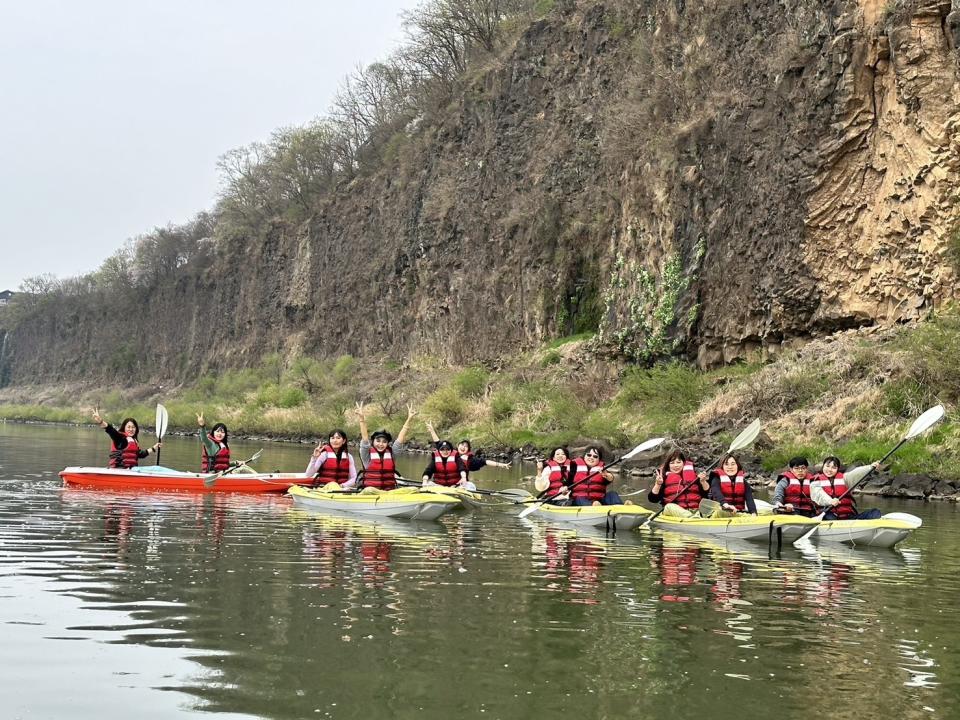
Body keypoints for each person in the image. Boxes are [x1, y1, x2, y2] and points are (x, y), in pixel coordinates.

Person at [355, 401, 416, 490]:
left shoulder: (392, 453)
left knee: (412, 489)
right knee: (370, 490)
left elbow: (399, 440)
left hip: (389, 490)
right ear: (373, 442)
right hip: (370, 491)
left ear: (387, 444)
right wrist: (361, 419)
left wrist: (409, 419)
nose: (381, 444)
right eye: (378, 441)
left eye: (384, 442)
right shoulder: (366, 455)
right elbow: (364, 439)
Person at [809, 456, 882, 520]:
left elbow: (856, 473)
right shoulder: (816, 481)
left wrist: (870, 467)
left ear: (837, 469)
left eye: (833, 468)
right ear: (823, 466)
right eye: (827, 466)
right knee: (830, 518)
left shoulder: (844, 478)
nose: (830, 470)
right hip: (828, 515)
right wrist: (830, 501)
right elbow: (819, 494)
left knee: (875, 512)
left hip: (848, 516)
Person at [425, 421, 511, 473]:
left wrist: (502, 465)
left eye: (466, 446)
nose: (463, 447)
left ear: (468, 450)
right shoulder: (449, 452)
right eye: (462, 445)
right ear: (458, 446)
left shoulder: (471, 460)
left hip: (460, 483)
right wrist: (432, 431)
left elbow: (486, 462)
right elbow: (438, 443)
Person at [91, 409, 161, 469]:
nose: (131, 429)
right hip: (119, 470)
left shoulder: (134, 441)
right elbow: (111, 430)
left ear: (136, 429)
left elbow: (140, 454)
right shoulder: (120, 438)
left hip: (131, 471)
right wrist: (101, 421)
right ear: (124, 428)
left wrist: (154, 448)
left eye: (133, 427)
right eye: (129, 427)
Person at [648, 451, 710, 518]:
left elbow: (707, 494)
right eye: (672, 463)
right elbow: (653, 499)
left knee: (714, 506)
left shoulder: (694, 476)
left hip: (696, 510)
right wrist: (658, 484)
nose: (676, 465)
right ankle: (693, 518)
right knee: (669, 506)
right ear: (668, 465)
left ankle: (697, 517)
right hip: (675, 512)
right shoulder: (664, 478)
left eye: (678, 462)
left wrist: (703, 482)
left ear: (683, 463)